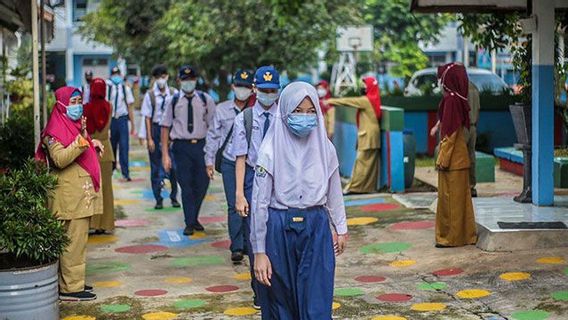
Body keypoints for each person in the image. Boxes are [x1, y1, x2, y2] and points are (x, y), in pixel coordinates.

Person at [251, 81, 348, 319]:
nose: (304, 117)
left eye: (310, 111)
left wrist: (340, 227)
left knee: (318, 297)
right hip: (278, 227)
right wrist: (259, 251)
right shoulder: (269, 150)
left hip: (316, 226)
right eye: (297, 111)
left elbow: (334, 191)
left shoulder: (326, 149)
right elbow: (259, 204)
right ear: (284, 112)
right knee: (280, 302)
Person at [35, 87, 104, 301]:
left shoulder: (71, 127)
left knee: (77, 241)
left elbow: (78, 146)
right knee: (72, 242)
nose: (77, 105)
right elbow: (60, 159)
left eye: (79, 101)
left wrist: (90, 142)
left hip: (78, 196)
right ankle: (70, 288)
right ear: (61, 104)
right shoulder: (53, 131)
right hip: (68, 197)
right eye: (73, 101)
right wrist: (83, 143)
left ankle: (73, 281)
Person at [232, 65, 281, 310]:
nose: (268, 94)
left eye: (273, 90)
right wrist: (239, 194)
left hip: (280, 178)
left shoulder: (285, 115)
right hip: (253, 176)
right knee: (254, 237)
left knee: (276, 230)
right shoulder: (245, 118)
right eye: (264, 90)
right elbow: (240, 157)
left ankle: (278, 286)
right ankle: (259, 290)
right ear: (255, 89)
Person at [204, 70, 254, 262]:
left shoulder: (255, 110)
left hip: (250, 164)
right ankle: (237, 246)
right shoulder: (222, 109)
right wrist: (209, 161)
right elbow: (213, 136)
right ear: (233, 87)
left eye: (247, 87)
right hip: (229, 162)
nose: (242, 90)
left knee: (250, 204)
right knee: (234, 204)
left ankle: (250, 243)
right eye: (239, 86)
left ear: (252, 89)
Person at [161, 65, 215, 236]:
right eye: (185, 80)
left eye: (191, 79)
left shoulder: (206, 100)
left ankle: (194, 217)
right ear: (179, 81)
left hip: (201, 146)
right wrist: (165, 155)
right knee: (186, 185)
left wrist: (212, 153)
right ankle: (189, 222)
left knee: (202, 183)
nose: (188, 83)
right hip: (181, 147)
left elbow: (213, 127)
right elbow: (165, 127)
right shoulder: (174, 101)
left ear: (196, 80)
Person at [434, 62, 477, 248]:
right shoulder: (459, 98)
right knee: (462, 203)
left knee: (450, 203)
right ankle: (466, 236)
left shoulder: (451, 100)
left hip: (452, 161)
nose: (440, 81)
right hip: (460, 159)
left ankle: (450, 238)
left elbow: (449, 135)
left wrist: (442, 159)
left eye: (442, 77)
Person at [326, 76, 382, 194]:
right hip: (370, 135)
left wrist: (329, 101)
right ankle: (365, 188)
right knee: (368, 165)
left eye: (365, 85)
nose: (363, 87)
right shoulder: (374, 99)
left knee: (361, 163)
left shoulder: (366, 100)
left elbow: (348, 101)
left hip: (368, 136)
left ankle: (354, 188)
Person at [430, 80, 480, 197]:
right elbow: (478, 109)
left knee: (456, 158)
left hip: (462, 127)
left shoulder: (458, 90)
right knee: (471, 157)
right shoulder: (475, 87)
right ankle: (471, 187)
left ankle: (459, 188)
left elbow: (452, 113)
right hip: (473, 127)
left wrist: (437, 127)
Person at [141, 64, 180, 210]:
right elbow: (147, 118)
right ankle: (158, 198)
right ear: (154, 79)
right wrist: (149, 138)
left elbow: (177, 115)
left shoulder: (174, 93)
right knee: (156, 167)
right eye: (158, 77)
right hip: (156, 130)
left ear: (167, 77)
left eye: (163, 77)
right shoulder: (150, 95)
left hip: (171, 130)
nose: (161, 80)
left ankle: (174, 196)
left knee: (174, 166)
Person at [84, 78, 115, 234]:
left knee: (91, 188)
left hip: (89, 151)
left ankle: (92, 223)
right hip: (106, 151)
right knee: (107, 189)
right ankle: (106, 224)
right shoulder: (109, 106)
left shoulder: (86, 108)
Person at [107, 66, 136, 181]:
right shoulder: (108, 89)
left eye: (117, 74)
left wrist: (133, 124)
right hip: (112, 120)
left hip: (122, 120)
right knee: (111, 146)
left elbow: (130, 106)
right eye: (114, 74)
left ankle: (125, 172)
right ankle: (112, 169)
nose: (116, 77)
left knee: (124, 147)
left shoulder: (126, 89)